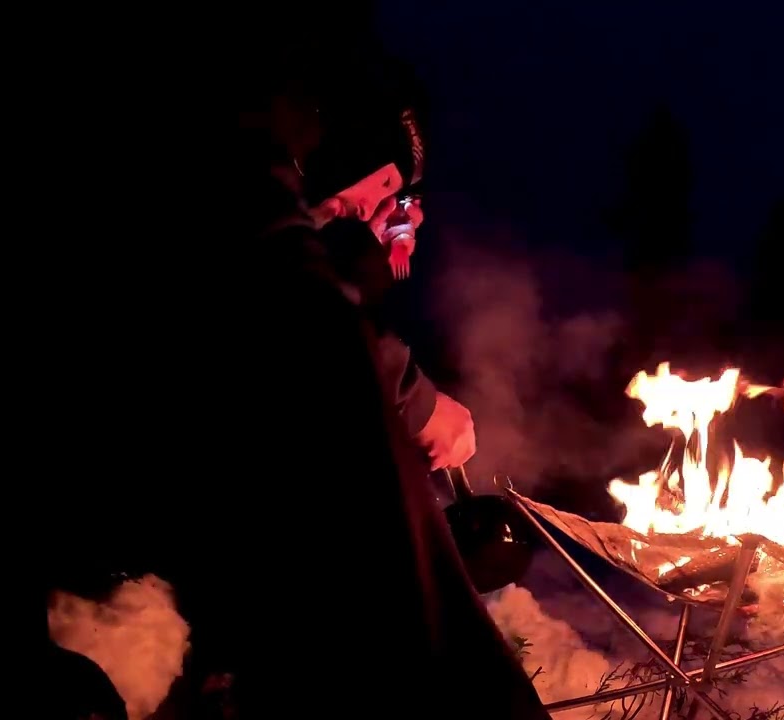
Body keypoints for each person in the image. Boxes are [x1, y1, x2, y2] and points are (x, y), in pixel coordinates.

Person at [208, 37, 551, 720]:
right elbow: (290, 308)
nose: (374, 210)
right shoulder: (237, 180)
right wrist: (414, 400)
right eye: (386, 185)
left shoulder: (272, 193)